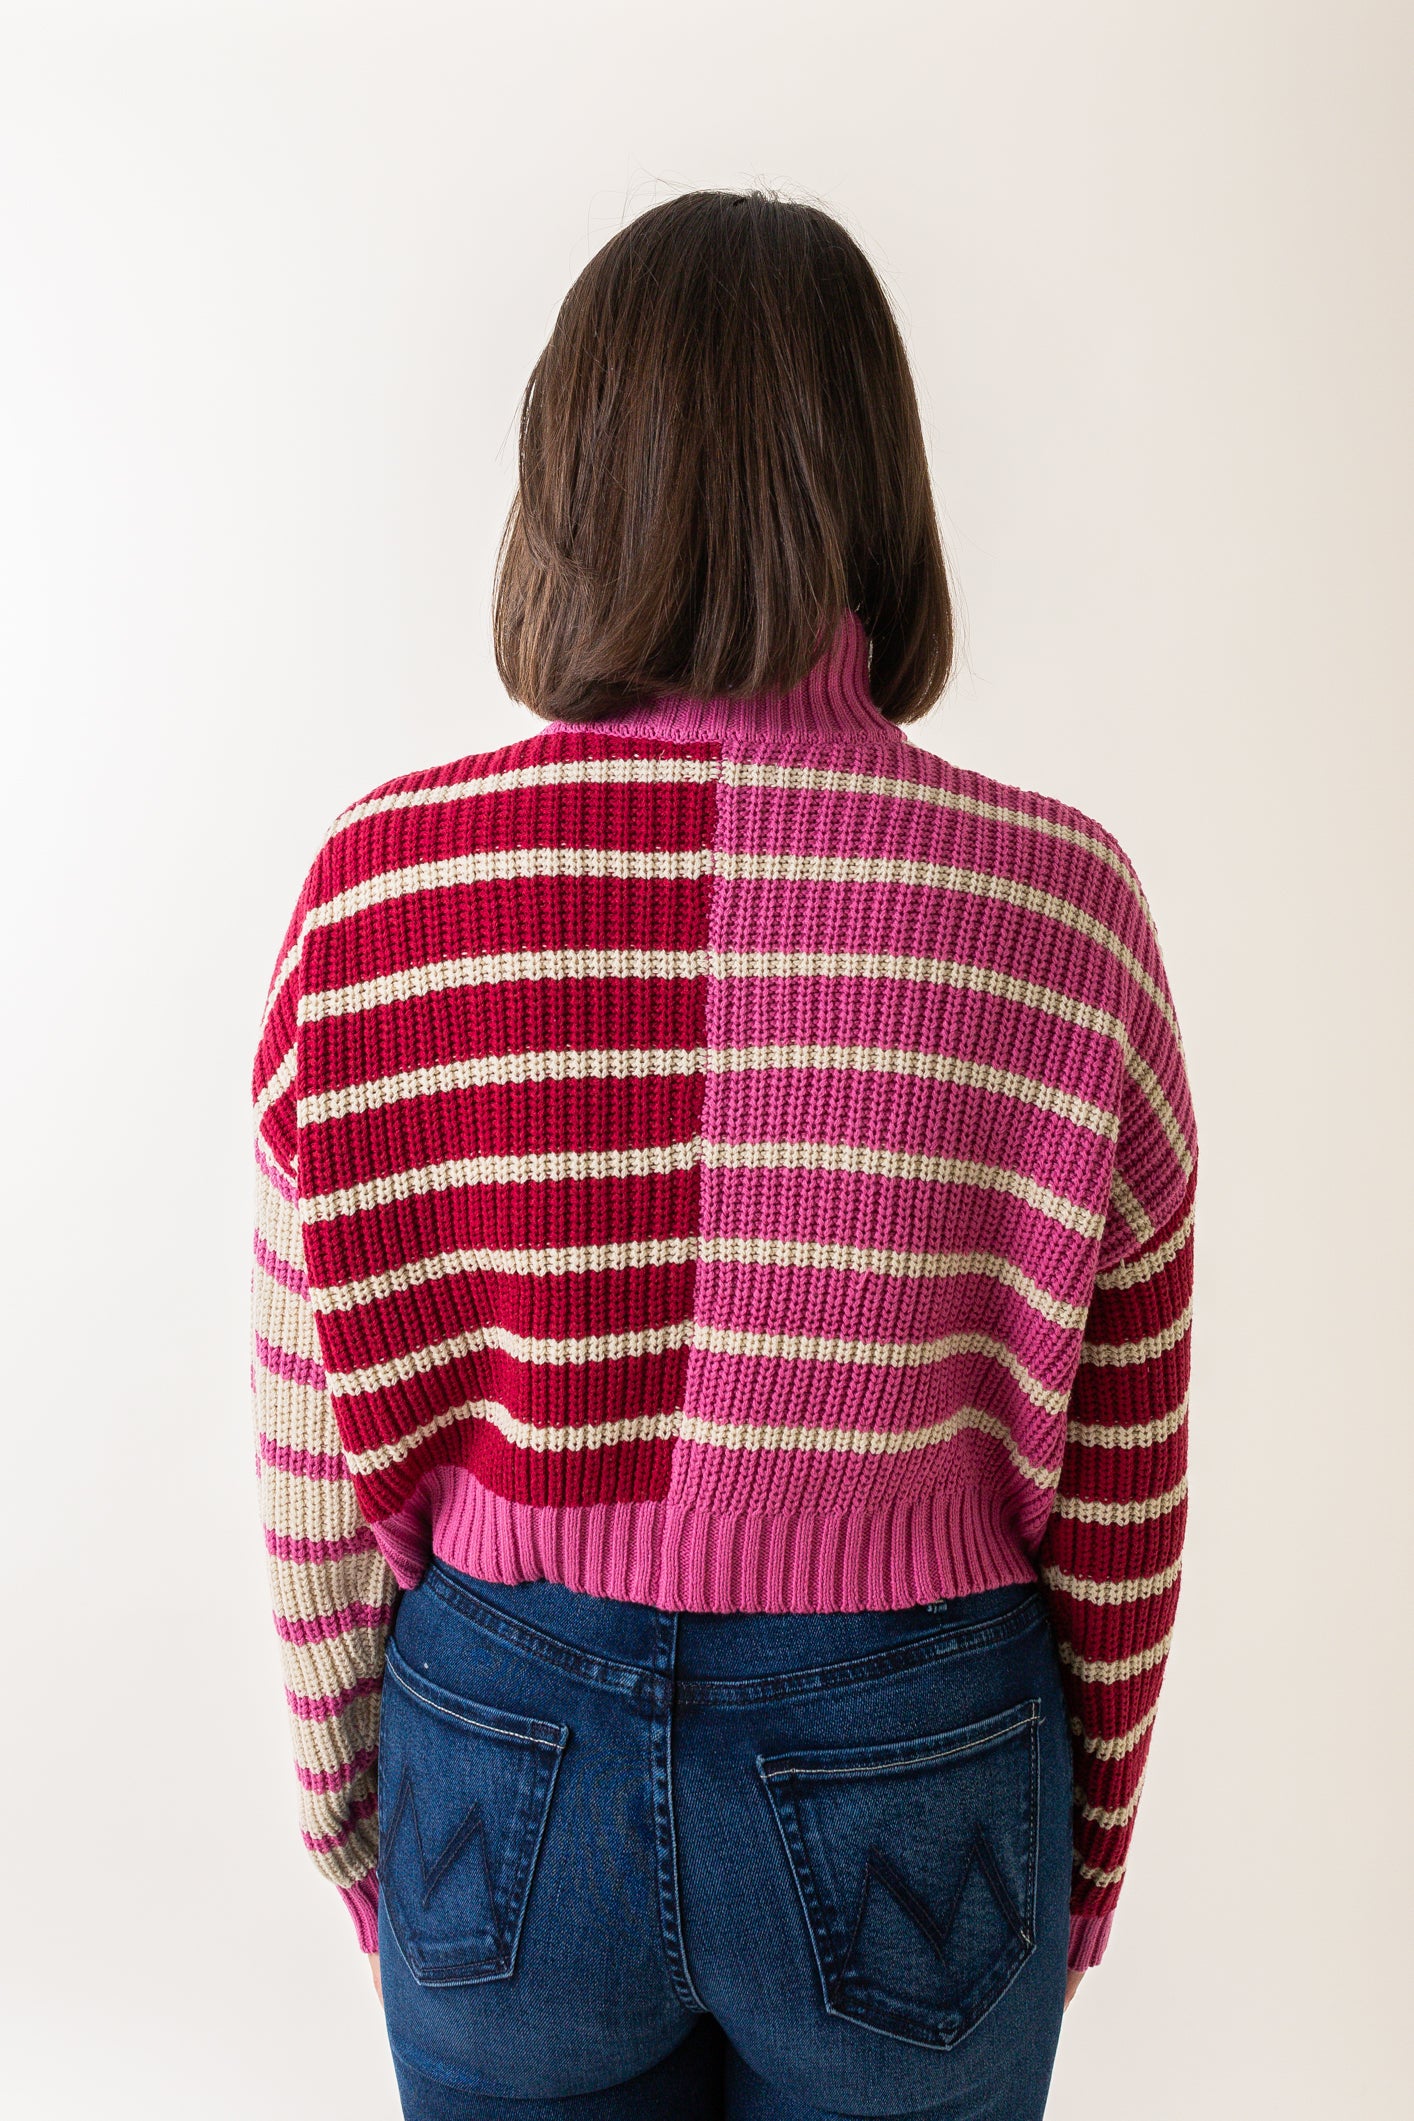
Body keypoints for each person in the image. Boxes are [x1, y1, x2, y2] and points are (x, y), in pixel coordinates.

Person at [250, 189, 1196, 2121]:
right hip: (919, 1750)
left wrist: (353, 1799)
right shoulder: (1060, 909)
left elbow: (308, 1435)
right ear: (876, 480)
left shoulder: (379, 893)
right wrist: (1081, 1838)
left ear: (566, 481)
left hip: (498, 1728)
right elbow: (1125, 1475)